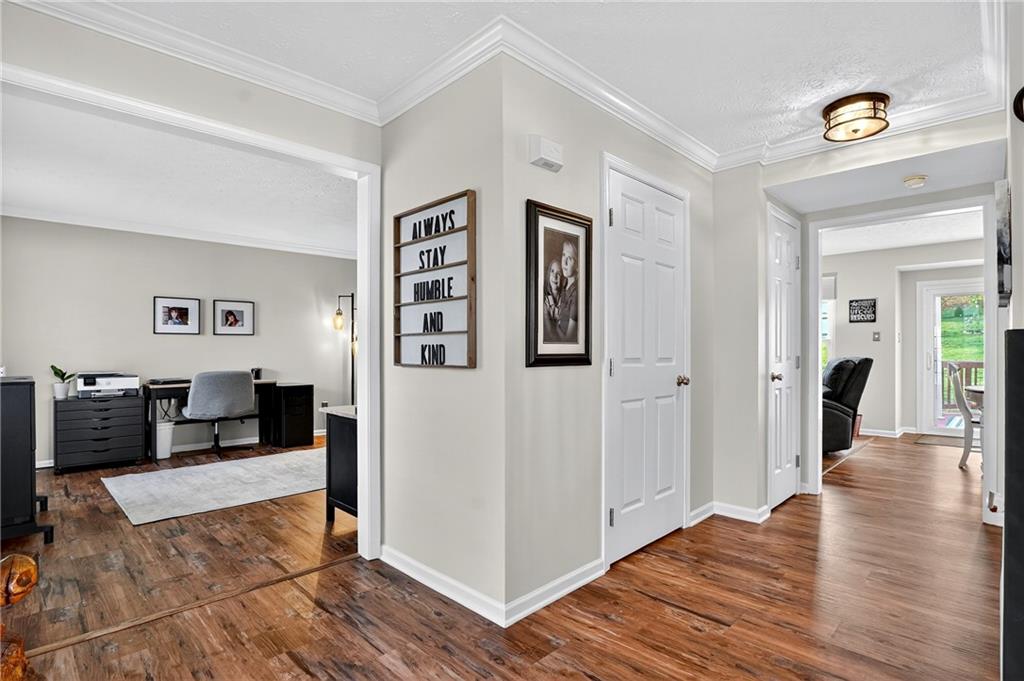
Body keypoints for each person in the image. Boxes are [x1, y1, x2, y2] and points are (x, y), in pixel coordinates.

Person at [556, 239, 579, 341]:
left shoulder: (575, 294)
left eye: (569, 258)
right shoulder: (564, 283)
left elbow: (568, 339)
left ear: (577, 266)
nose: (564, 261)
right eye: (563, 255)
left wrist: (556, 328)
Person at [543, 259, 563, 342]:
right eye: (552, 271)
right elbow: (550, 332)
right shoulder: (544, 303)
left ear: (563, 278)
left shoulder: (565, 300)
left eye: (558, 273)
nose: (555, 276)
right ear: (548, 275)